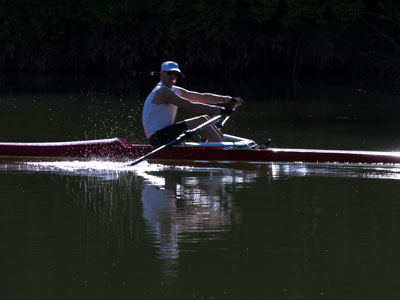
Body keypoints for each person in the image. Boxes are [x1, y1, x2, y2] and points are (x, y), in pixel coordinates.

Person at [142, 61, 243, 147]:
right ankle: (224, 151)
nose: (173, 76)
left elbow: (201, 97)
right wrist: (220, 109)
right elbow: (191, 106)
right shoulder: (162, 91)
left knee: (206, 119)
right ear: (161, 74)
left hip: (166, 133)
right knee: (202, 120)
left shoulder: (175, 90)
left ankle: (224, 146)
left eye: (175, 74)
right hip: (158, 137)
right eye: (170, 73)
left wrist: (228, 99)